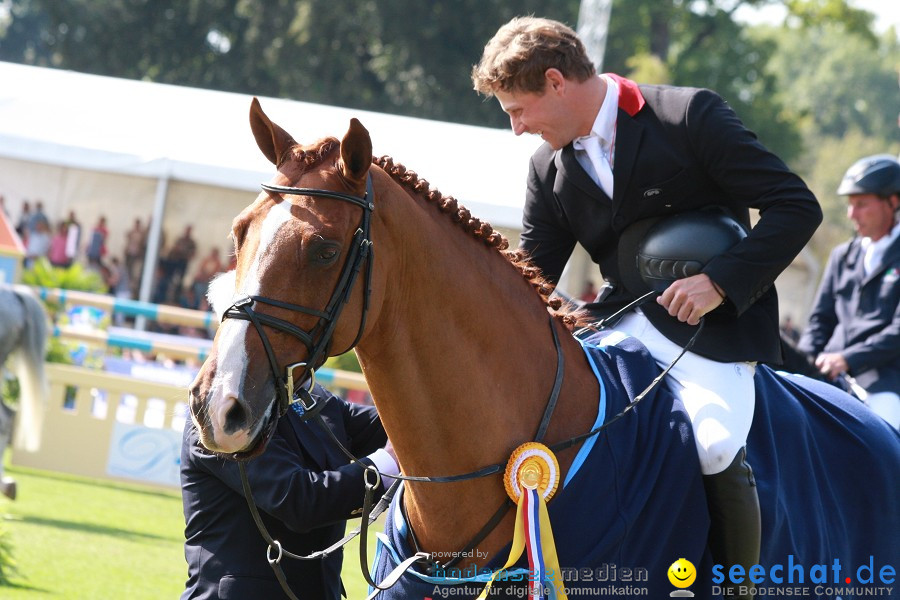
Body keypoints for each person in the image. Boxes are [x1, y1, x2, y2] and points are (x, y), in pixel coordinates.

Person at [472, 17, 822, 598]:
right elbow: (530, 277)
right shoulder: (546, 169)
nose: (516, 129)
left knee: (713, 443)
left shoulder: (688, 116)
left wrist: (720, 282)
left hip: (715, 329)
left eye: (517, 110)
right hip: (619, 323)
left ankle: (739, 589)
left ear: (556, 82)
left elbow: (795, 206)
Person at [180, 383, 398, 600]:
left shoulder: (310, 397)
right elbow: (300, 501)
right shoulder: (224, 413)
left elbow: (403, 424)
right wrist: (390, 461)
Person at [798, 154, 900, 429]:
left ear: (893, 202)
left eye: (861, 205)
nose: (851, 214)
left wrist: (847, 359)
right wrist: (803, 361)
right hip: (828, 371)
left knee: (889, 428)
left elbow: (897, 331)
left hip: (883, 379)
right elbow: (820, 319)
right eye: (850, 205)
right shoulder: (842, 256)